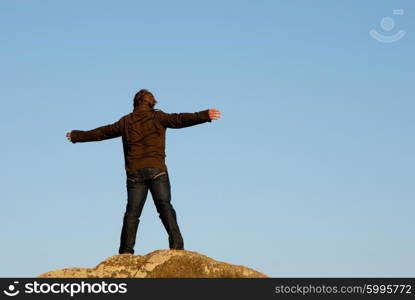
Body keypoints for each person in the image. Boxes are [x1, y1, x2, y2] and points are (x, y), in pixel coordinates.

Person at [66, 89, 221, 254]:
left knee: (132, 213)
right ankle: (176, 246)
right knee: (164, 207)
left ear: (135, 104)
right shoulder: (158, 117)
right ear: (152, 103)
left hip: (134, 174)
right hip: (157, 170)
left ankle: (126, 251)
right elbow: (179, 119)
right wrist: (204, 115)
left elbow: (101, 133)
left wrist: (77, 135)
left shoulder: (126, 122)